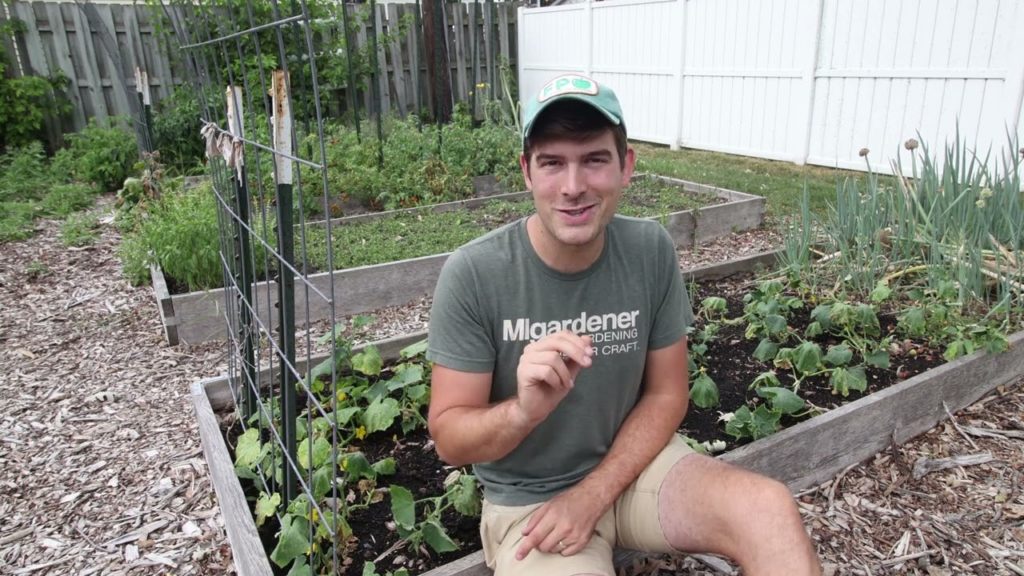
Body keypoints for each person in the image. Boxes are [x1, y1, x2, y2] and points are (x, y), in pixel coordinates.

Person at [426, 73, 821, 576]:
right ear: (527, 171)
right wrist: (524, 411)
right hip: (532, 503)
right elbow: (451, 438)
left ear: (625, 166)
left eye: (594, 159)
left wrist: (594, 493)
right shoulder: (475, 274)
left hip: (637, 468)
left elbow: (666, 395)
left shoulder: (648, 250)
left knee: (768, 510)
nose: (573, 187)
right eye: (552, 163)